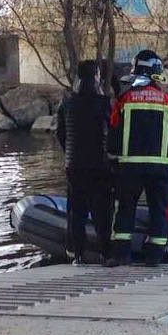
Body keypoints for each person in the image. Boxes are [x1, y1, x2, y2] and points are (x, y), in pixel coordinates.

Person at [106, 49, 168, 267]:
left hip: (129, 167)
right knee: (158, 211)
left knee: (125, 209)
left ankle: (121, 255)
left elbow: (113, 134)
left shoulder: (124, 100)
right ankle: (154, 258)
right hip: (161, 169)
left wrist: (113, 160)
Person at [56, 60, 113, 264]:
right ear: (96, 76)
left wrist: (70, 153)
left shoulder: (67, 102)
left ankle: (76, 254)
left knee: (76, 211)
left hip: (74, 164)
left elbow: (60, 133)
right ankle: (105, 253)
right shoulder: (104, 103)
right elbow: (112, 134)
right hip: (99, 164)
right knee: (102, 211)